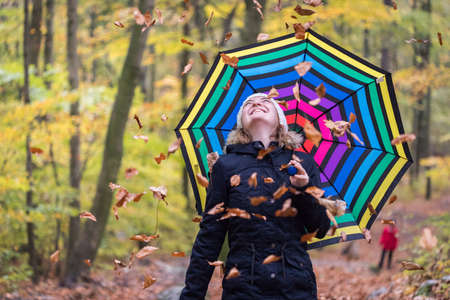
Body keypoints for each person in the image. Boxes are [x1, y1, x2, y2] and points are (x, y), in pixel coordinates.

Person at [179, 93, 330, 300]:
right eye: (248, 103)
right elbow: (210, 236)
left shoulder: (302, 162)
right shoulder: (226, 166)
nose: (256, 103)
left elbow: (319, 229)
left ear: (280, 121)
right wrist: (191, 295)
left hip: (296, 287)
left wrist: (304, 190)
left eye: (266, 101)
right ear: (242, 124)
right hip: (243, 288)